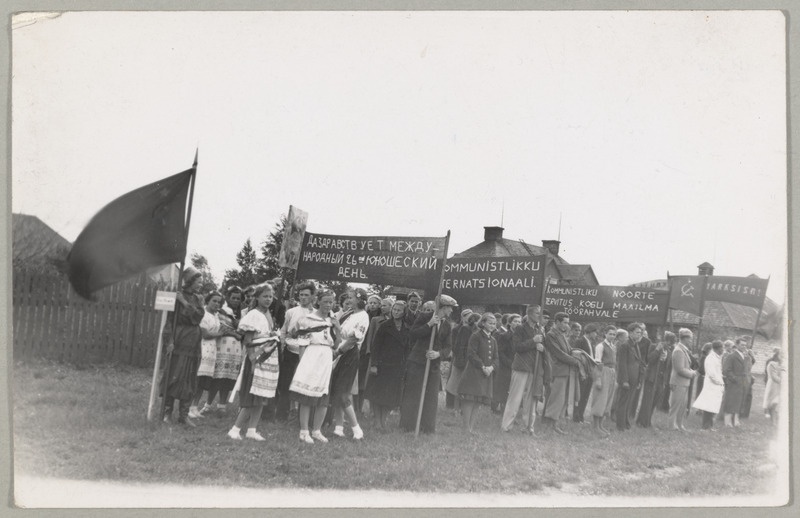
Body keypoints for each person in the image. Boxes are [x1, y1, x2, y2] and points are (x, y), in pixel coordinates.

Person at [227, 283, 280, 441]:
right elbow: (248, 340)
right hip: (256, 358)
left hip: (268, 358)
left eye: (270, 296)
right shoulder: (254, 315)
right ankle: (235, 429)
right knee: (252, 396)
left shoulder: (268, 314)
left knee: (261, 396)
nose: (268, 299)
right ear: (257, 297)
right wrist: (253, 360)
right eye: (265, 296)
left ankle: (252, 429)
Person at [288, 288, 342, 444]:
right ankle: (304, 431)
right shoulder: (308, 319)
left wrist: (337, 328)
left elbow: (337, 344)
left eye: (331, 302)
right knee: (307, 394)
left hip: (326, 356)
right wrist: (302, 363)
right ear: (318, 301)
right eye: (325, 301)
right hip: (311, 354)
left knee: (323, 393)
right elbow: (302, 343)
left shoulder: (332, 320)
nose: (328, 305)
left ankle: (317, 430)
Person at [399, 294, 456, 434]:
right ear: (443, 307)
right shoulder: (425, 317)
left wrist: (438, 354)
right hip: (418, 361)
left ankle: (428, 428)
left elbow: (448, 347)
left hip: (434, 364)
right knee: (413, 393)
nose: (452, 311)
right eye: (450, 308)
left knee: (431, 396)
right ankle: (408, 426)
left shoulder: (447, 325)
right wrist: (429, 325)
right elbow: (413, 334)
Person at [161, 267, 206, 426]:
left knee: (190, 377)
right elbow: (168, 322)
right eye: (198, 281)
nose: (201, 284)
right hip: (179, 338)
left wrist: (184, 302)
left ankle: (183, 414)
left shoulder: (198, 299)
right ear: (190, 281)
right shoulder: (174, 296)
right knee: (174, 374)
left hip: (193, 342)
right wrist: (169, 341)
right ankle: (166, 412)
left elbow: (199, 316)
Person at [329, 288, 370, 440]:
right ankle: (339, 428)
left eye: (352, 298)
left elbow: (353, 339)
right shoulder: (350, 314)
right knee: (336, 391)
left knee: (343, 392)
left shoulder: (363, 316)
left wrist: (337, 352)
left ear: (359, 300)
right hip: (341, 352)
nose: (349, 300)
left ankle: (356, 429)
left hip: (349, 354)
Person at [501, 305, 548, 433]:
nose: (539, 315)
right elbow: (516, 347)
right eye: (537, 313)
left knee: (531, 399)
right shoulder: (520, 328)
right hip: (521, 366)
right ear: (530, 314)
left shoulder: (541, 329)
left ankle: (528, 427)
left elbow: (544, 347)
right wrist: (533, 341)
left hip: (535, 367)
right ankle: (506, 426)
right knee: (515, 397)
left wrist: (542, 348)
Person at [275, 281, 316, 423]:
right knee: (286, 383)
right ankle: (284, 413)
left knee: (302, 383)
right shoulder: (291, 312)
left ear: (312, 297)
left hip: (306, 353)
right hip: (290, 351)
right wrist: (281, 346)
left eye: (306, 295)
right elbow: (283, 331)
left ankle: (300, 413)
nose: (303, 297)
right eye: (301, 295)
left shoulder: (315, 314)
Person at [366, 300, 410, 430]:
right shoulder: (385, 326)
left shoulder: (406, 328)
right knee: (379, 395)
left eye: (399, 310)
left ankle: (383, 421)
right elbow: (376, 346)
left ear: (404, 313)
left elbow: (407, 348)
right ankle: (378, 422)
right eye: (394, 309)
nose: (396, 312)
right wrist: (374, 364)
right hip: (383, 365)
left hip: (397, 367)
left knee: (390, 397)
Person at [458, 313, 499, 433]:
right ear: (483, 323)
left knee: (478, 401)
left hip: (485, 374)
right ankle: (466, 428)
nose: (492, 325)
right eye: (490, 323)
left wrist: (491, 368)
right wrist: (482, 366)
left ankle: (471, 428)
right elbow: (471, 353)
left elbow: (496, 358)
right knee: (469, 400)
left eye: (494, 324)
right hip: (474, 372)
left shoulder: (493, 340)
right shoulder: (476, 336)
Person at [541, 312, 581, 435]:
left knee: (562, 399)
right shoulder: (551, 335)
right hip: (557, 370)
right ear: (557, 322)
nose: (566, 325)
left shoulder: (562, 334)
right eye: (564, 322)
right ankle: (548, 426)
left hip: (566, 370)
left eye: (567, 323)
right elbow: (558, 353)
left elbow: (568, 350)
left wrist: (580, 355)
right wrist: (575, 361)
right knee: (555, 398)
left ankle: (554, 424)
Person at [207, 289, 244, 413]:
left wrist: (238, 334)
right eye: (233, 298)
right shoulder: (222, 310)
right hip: (221, 346)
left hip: (235, 349)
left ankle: (222, 405)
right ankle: (208, 404)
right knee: (217, 376)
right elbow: (221, 327)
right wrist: (236, 334)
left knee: (228, 377)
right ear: (228, 298)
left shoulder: (241, 313)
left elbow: (243, 331)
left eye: (238, 298)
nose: (235, 300)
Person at [190, 291, 225, 418]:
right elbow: (204, 334)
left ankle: (195, 407)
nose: (217, 304)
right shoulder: (203, 314)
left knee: (202, 382)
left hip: (212, 350)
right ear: (208, 301)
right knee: (197, 379)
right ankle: (189, 407)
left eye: (219, 302)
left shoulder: (216, 315)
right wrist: (219, 334)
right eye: (214, 301)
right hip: (203, 348)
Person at [359, 297, 393, 415]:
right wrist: (369, 350)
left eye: (385, 305)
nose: (382, 307)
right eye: (382, 305)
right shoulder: (375, 319)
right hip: (375, 354)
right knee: (371, 381)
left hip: (389, 355)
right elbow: (370, 337)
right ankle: (372, 410)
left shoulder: (395, 320)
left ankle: (385, 410)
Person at [637, 331, 675, 428]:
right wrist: (657, 351)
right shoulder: (654, 346)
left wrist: (666, 381)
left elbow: (668, 367)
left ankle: (648, 421)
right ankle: (642, 422)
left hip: (661, 380)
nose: (669, 345)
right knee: (647, 400)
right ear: (664, 340)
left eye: (671, 343)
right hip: (652, 377)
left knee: (654, 401)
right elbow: (649, 359)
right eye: (668, 342)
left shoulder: (669, 352)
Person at [445, 310, 477, 412]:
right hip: (459, 358)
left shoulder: (472, 329)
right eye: (467, 316)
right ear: (462, 317)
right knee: (454, 383)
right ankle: (451, 405)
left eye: (470, 316)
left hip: (466, 358)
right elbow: (455, 344)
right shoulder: (457, 329)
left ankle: (461, 406)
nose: (468, 318)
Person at [668, 328, 698, 432]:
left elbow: (685, 366)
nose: (691, 341)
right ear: (685, 338)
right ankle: (672, 425)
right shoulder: (678, 351)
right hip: (678, 382)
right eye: (690, 339)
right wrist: (692, 373)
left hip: (683, 382)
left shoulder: (683, 350)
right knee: (675, 405)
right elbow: (680, 369)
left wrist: (690, 370)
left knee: (682, 405)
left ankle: (679, 425)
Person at [589, 325, 617, 436]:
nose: (612, 336)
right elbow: (598, 363)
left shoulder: (613, 347)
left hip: (612, 372)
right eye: (610, 333)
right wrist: (598, 379)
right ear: (605, 334)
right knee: (600, 399)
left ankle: (601, 425)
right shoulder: (600, 346)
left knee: (607, 401)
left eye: (614, 334)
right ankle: (595, 427)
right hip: (603, 371)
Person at [614, 326, 643, 431]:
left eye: (640, 332)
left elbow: (638, 364)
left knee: (629, 402)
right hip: (627, 379)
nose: (639, 334)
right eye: (637, 332)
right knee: (623, 402)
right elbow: (622, 364)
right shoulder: (625, 346)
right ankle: (620, 425)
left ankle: (625, 423)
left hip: (634, 379)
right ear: (630, 333)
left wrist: (639, 380)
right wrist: (625, 381)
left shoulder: (635, 345)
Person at [692, 340, 724, 430]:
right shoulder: (710, 358)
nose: (723, 350)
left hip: (716, 386)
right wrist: (720, 382)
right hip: (711, 385)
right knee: (708, 406)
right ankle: (705, 426)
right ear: (718, 348)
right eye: (722, 348)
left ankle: (710, 425)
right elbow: (711, 374)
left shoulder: (717, 357)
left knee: (713, 406)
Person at [492, 313, 520, 415]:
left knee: (513, 390)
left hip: (517, 366)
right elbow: (500, 352)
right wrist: (509, 363)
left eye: (519, 322)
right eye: (515, 321)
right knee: (503, 389)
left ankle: (510, 412)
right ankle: (500, 410)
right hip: (506, 366)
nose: (518, 324)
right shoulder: (504, 335)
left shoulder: (520, 336)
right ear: (510, 323)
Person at [572, 323, 598, 423]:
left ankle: (581, 417)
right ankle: (576, 417)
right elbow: (576, 356)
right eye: (595, 332)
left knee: (586, 395)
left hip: (590, 372)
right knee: (580, 395)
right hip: (582, 372)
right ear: (589, 332)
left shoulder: (591, 343)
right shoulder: (580, 341)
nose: (596, 335)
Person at [721, 337, 749, 428]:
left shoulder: (744, 356)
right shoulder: (731, 356)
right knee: (730, 401)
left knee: (739, 401)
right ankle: (727, 422)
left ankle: (736, 421)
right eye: (742, 345)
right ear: (736, 345)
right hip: (733, 383)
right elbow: (726, 370)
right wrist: (734, 378)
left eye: (745, 345)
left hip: (742, 382)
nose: (744, 346)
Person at [626, 323, 650, 423]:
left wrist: (643, 365)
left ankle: (631, 413)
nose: (640, 333)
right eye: (639, 331)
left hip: (640, 368)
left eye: (642, 331)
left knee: (636, 392)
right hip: (630, 368)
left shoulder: (647, 341)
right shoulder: (630, 342)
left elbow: (647, 356)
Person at [763, 347, 782, 426]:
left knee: (778, 403)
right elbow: (771, 375)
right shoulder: (771, 362)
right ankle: (772, 419)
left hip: (780, 384)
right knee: (772, 401)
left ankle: (777, 420)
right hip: (773, 384)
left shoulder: (783, 363)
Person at [739, 339, 757, 419]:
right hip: (743, 377)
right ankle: (740, 412)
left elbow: (753, 362)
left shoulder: (749, 354)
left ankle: (745, 413)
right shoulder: (743, 354)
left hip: (749, 377)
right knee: (743, 395)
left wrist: (751, 355)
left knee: (748, 395)